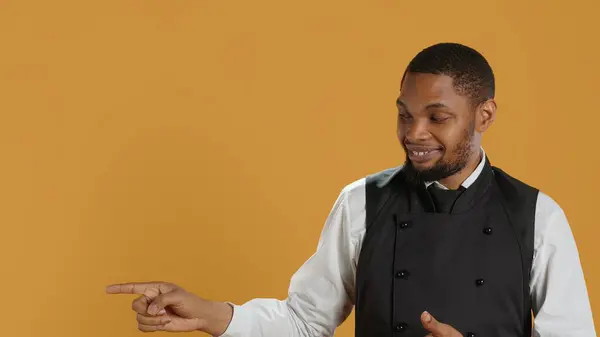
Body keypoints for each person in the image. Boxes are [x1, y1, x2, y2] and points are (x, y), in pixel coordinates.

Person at [106, 42, 596, 336]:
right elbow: (304, 322)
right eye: (405, 114)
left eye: (437, 118)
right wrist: (209, 314)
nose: (414, 133)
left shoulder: (536, 216)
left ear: (484, 116)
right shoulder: (362, 202)